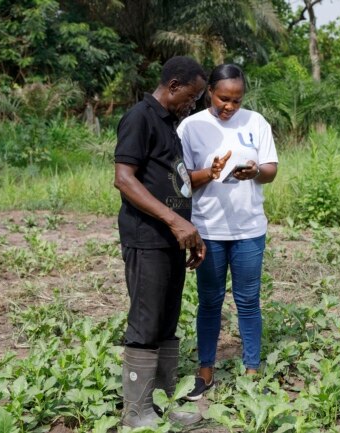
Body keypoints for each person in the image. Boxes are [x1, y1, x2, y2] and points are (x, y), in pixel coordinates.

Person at [113, 56, 207, 428]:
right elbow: (124, 178)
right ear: (173, 86)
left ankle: (162, 407)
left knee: (167, 322)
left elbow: (176, 182)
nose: (194, 103)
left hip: (171, 239)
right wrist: (172, 220)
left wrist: (190, 230)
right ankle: (135, 412)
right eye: (192, 95)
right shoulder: (140, 117)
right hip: (146, 237)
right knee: (146, 323)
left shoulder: (171, 125)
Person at [177, 63, 279, 401]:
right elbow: (181, 180)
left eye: (236, 100)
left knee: (248, 301)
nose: (229, 107)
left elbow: (271, 169)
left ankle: (252, 370)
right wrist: (210, 172)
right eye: (223, 99)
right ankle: (205, 371)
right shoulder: (191, 127)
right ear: (209, 92)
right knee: (210, 302)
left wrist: (255, 172)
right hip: (208, 228)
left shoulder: (256, 122)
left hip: (249, 228)